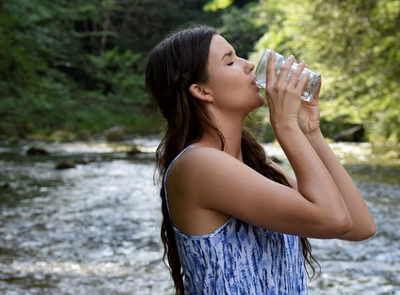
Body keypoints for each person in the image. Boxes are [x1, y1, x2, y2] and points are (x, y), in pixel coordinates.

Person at [144, 24, 376, 295]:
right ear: (202, 91)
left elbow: (359, 226)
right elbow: (334, 219)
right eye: (230, 61)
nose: (249, 65)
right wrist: (285, 125)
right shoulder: (199, 164)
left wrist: (310, 132)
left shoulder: (257, 167)